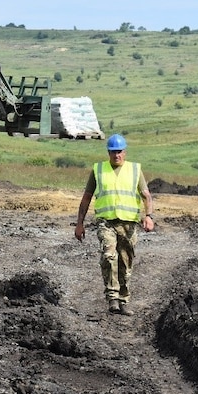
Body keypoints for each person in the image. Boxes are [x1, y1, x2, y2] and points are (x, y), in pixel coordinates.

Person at [74, 133, 155, 316]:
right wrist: (80, 223)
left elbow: (146, 195)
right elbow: (86, 198)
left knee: (125, 262)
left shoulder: (135, 170)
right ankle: (113, 298)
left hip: (128, 225)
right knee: (109, 256)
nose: (116, 155)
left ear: (124, 152)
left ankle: (123, 300)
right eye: (112, 152)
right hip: (106, 222)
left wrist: (149, 216)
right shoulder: (98, 170)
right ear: (108, 152)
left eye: (119, 152)